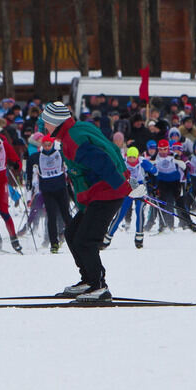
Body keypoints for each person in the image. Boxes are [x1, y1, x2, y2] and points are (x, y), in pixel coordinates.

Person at [41, 101, 132, 302]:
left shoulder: (73, 140)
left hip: (108, 193)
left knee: (85, 240)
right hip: (99, 193)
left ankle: (99, 286)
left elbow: (103, 160)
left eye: (46, 122)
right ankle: (89, 280)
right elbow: (111, 148)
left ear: (55, 122)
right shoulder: (77, 129)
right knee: (72, 234)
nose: (44, 126)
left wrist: (123, 184)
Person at [34, 135, 74, 253]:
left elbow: (69, 163)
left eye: (49, 145)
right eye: (45, 145)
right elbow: (32, 168)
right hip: (47, 191)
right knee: (51, 216)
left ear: (52, 144)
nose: (47, 147)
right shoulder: (38, 156)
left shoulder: (59, 154)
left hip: (61, 189)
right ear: (42, 145)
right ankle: (54, 243)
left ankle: (74, 238)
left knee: (66, 215)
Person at [104, 147, 148, 249]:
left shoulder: (142, 162)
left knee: (139, 211)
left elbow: (155, 171)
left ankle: (139, 237)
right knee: (120, 213)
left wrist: (153, 183)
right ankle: (107, 238)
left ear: (137, 157)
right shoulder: (123, 163)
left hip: (140, 188)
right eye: (129, 157)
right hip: (127, 188)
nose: (131, 160)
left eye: (133, 157)